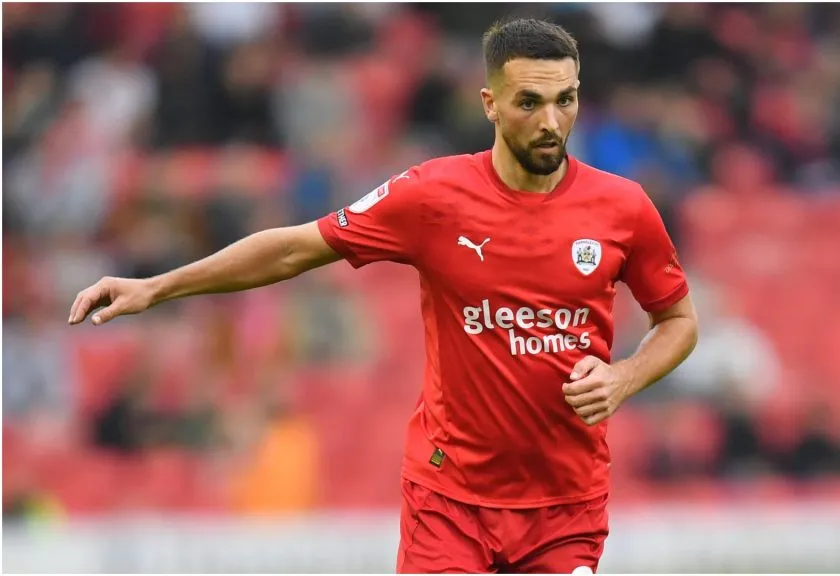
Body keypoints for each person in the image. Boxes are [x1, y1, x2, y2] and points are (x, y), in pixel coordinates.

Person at [68, 18, 699, 574]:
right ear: (489, 103)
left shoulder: (623, 207)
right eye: (530, 102)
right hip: (449, 502)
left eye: (566, 101)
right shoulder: (432, 197)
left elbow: (677, 320)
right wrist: (157, 286)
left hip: (566, 503)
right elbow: (295, 247)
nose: (551, 122)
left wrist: (624, 378)